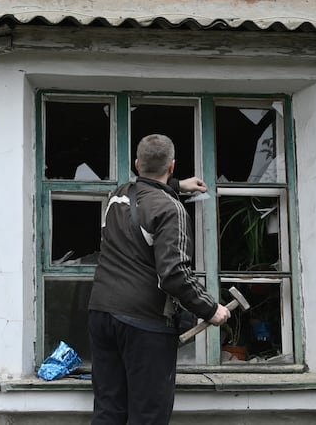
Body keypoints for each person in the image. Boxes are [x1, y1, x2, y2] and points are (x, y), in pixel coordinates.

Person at [87, 134, 230, 425]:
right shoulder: (170, 209)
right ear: (173, 165)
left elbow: (144, 192)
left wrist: (177, 186)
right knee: (148, 416)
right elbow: (174, 275)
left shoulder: (117, 196)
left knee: (109, 410)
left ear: (137, 164)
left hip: (101, 315)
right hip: (143, 323)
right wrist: (211, 309)